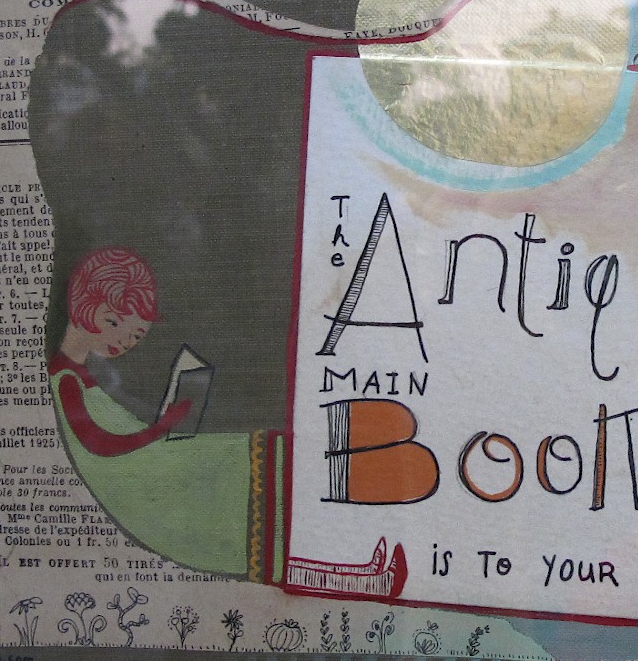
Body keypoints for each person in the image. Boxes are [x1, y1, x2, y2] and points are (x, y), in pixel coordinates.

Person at [49, 246, 409, 596]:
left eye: (134, 336)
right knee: (240, 462)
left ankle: (353, 572)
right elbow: (100, 444)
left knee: (236, 461)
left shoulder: (83, 376)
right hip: (140, 489)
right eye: (113, 323)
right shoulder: (66, 378)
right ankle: (350, 570)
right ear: (85, 305)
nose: (122, 342)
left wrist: (166, 423)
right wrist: (161, 427)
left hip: (150, 477)